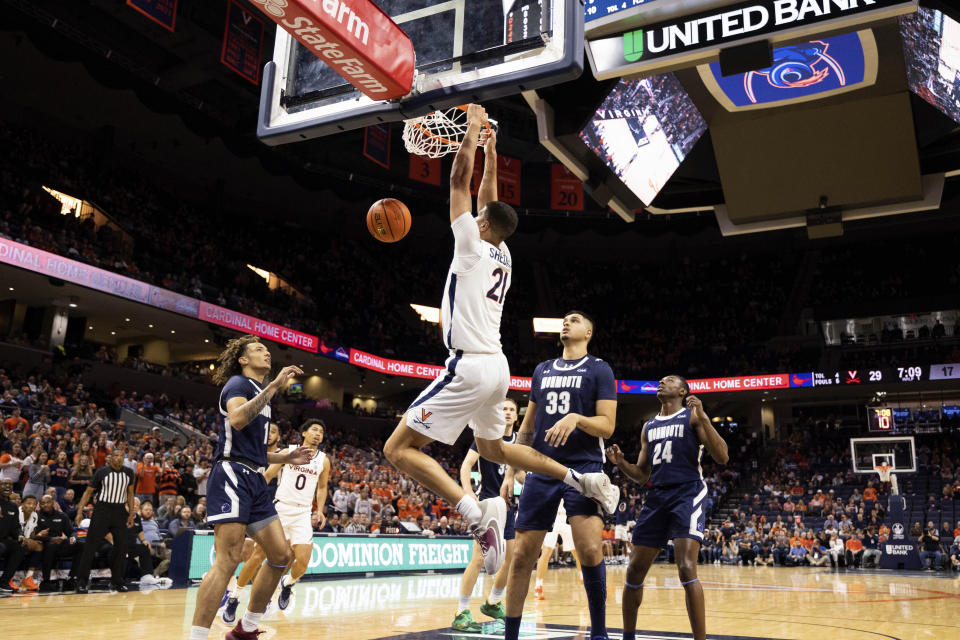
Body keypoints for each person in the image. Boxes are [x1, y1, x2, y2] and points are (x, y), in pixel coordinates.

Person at [504, 311, 618, 640]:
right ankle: (510, 635)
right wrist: (512, 470)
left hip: (584, 467)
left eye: (575, 320)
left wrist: (576, 419)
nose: (566, 323)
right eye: (564, 320)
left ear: (589, 331)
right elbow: (527, 426)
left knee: (590, 550)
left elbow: (607, 425)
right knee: (523, 554)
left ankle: (599, 632)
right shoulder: (542, 370)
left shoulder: (600, 369)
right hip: (540, 468)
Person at [189, 335, 312, 640]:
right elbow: (238, 419)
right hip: (232, 473)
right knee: (228, 559)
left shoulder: (260, 393)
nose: (266, 354)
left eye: (268, 351)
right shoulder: (238, 384)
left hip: (254, 478)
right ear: (243, 359)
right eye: (259, 350)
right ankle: (196, 637)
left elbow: (256, 451)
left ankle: (247, 627)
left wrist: (286, 456)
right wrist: (274, 387)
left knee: (281, 555)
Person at [607, 375, 729, 640]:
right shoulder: (648, 426)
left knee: (686, 567)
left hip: (687, 493)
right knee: (634, 570)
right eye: (660, 381)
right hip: (656, 497)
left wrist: (705, 418)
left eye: (669, 380)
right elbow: (641, 475)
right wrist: (620, 463)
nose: (662, 383)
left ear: (683, 391)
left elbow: (722, 457)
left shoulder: (693, 417)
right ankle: (628, 636)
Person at [452, 399, 520, 631]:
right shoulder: (486, 437)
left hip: (509, 507)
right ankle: (461, 611)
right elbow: (465, 466)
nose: (508, 413)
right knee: (479, 559)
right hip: (488, 504)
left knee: (510, 560)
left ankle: (492, 602)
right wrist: (468, 492)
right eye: (504, 409)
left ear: (517, 416)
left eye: (512, 410)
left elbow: (520, 476)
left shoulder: (521, 441)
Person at [220, 422, 283, 623]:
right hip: (249, 502)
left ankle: (237, 597)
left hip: (268, 508)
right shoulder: (253, 451)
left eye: (274, 431)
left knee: (257, 555)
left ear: (278, 437)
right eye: (268, 430)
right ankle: (255, 598)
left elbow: (269, 478)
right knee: (247, 555)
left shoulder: (281, 456)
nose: (269, 434)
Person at [268, 419, 330, 610]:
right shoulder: (289, 451)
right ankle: (248, 596)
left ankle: (288, 583)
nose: (318, 433)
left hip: (303, 512)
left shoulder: (323, 460)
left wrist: (319, 510)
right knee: (267, 556)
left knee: (302, 563)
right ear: (304, 433)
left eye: (321, 431)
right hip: (281, 507)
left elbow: (322, 487)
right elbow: (268, 475)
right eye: (314, 430)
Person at [72, 448, 136, 592]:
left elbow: (130, 494)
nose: (119, 458)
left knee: (121, 548)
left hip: (120, 511)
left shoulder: (129, 473)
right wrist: (80, 511)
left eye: (121, 456)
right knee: (90, 547)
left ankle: (116, 581)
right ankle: (81, 582)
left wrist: (131, 514)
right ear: (111, 458)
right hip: (102, 510)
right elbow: (88, 492)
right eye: (116, 455)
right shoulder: (101, 472)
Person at [36, 493, 80, 591]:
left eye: (48, 502)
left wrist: (73, 537)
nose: (45, 505)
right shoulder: (36, 516)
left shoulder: (62, 516)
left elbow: (71, 531)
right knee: (51, 545)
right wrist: (51, 539)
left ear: (53, 503)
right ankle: (46, 581)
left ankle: (71, 578)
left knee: (82, 546)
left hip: (60, 544)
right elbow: (33, 535)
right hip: (44, 544)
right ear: (39, 504)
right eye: (43, 503)